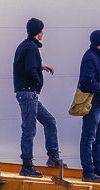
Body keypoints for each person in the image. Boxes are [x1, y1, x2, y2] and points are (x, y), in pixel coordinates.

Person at [12, 18, 65, 178]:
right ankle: (27, 166)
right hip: (28, 93)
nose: (43, 33)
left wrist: (41, 66)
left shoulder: (26, 46)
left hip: (29, 94)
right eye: (42, 30)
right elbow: (28, 68)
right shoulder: (31, 47)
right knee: (29, 129)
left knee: (49, 121)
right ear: (38, 31)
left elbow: (26, 63)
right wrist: (37, 81)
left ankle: (53, 158)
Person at [77, 29, 100, 183]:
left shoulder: (96, 56)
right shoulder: (90, 57)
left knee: (99, 140)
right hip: (93, 105)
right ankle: (88, 172)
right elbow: (86, 81)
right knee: (89, 139)